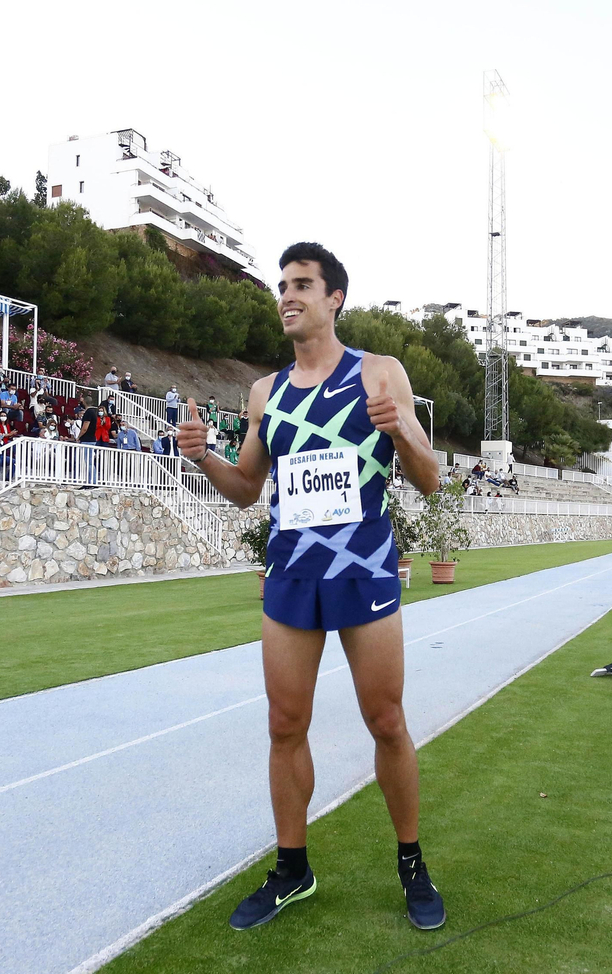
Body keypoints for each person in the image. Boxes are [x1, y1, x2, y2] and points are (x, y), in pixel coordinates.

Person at [177, 242, 445, 932]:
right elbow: (245, 491)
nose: (287, 296)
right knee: (283, 724)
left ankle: (412, 863)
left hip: (365, 568)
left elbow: (429, 478)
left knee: (386, 720)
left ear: (335, 299)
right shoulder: (266, 391)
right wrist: (203, 453)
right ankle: (293, 870)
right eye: (282, 286)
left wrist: (404, 434)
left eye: (302, 285)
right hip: (293, 573)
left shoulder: (381, 373)